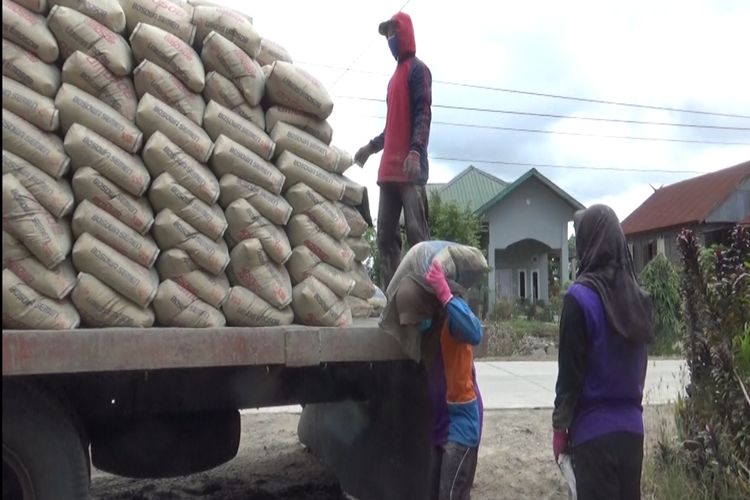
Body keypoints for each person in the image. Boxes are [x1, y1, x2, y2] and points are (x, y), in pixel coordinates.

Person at [552, 204, 654, 500]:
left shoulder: (579, 298)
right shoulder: (639, 299)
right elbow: (640, 368)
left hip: (592, 435)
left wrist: (560, 431)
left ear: (588, 242)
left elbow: (569, 377)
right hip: (633, 433)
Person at [354, 11, 432, 290]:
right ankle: (396, 297)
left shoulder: (418, 71)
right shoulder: (392, 80)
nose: (390, 40)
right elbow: (392, 128)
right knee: (386, 237)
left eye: (393, 34)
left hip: (410, 170)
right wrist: (371, 148)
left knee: (417, 235)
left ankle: (426, 298)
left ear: (405, 34)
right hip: (388, 171)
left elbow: (423, 113)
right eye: (387, 36)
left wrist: (415, 150)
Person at [395, 260, 483, 499]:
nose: (412, 324)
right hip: (440, 427)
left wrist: (445, 293)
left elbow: (476, 332)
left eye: (415, 317)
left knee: (451, 494)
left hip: (460, 428)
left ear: (427, 306)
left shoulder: (452, 326)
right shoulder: (426, 335)